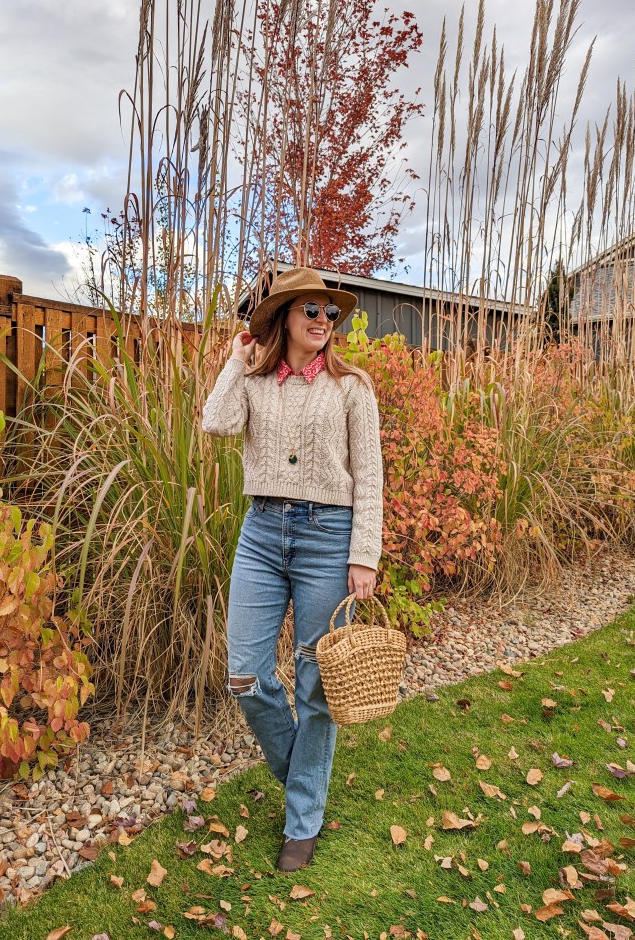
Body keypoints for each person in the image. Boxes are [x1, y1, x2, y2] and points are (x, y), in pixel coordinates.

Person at [202, 266, 383, 872]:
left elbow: (371, 476)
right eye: (310, 309)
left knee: (316, 682)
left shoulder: (353, 386)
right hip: (262, 532)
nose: (322, 322)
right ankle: (304, 774)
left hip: (329, 540)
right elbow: (215, 421)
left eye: (331, 313)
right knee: (246, 675)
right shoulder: (254, 383)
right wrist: (236, 357)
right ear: (283, 316)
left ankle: (302, 818)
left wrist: (365, 555)